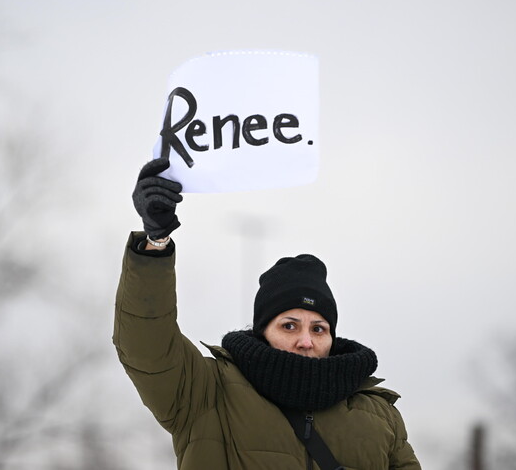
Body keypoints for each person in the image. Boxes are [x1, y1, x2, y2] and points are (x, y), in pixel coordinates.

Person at [113, 158, 421, 470]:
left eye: (318, 328)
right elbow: (147, 346)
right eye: (289, 326)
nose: (306, 341)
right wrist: (156, 242)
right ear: (263, 331)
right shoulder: (207, 393)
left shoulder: (381, 416)